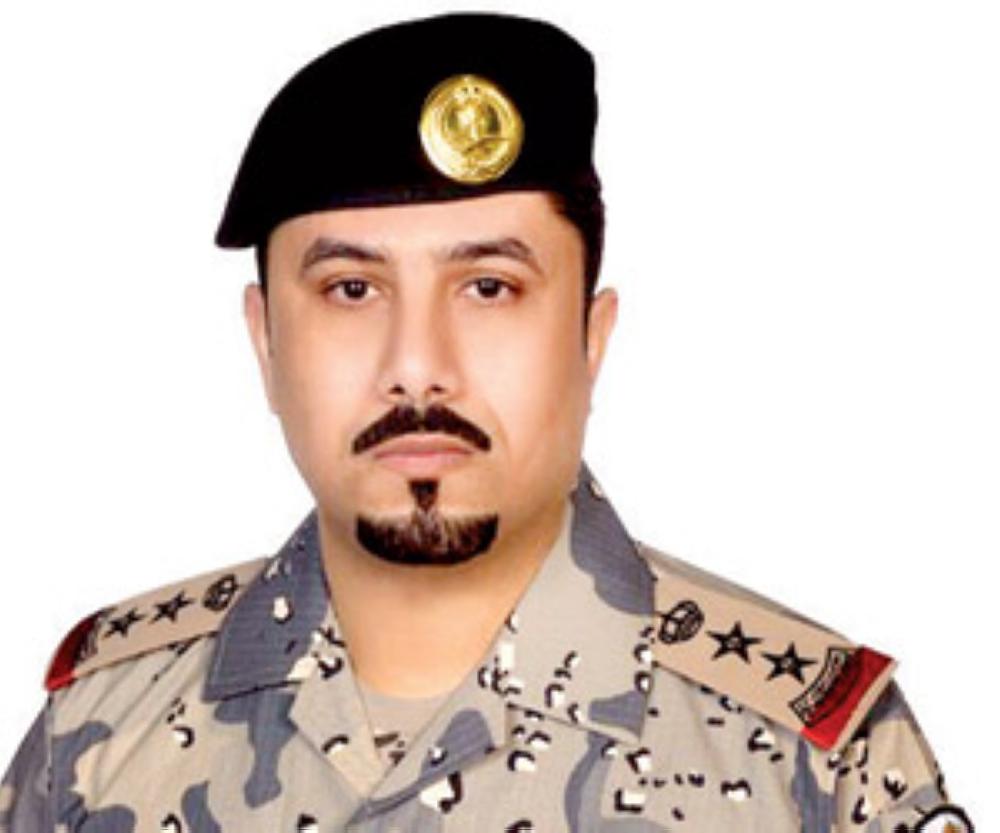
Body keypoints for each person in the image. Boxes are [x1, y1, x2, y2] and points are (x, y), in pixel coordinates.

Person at [0, 12, 975, 832]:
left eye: (489, 286)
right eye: (350, 289)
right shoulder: (99, 730)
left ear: (590, 337)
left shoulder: (809, 763)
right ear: (266, 342)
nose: (417, 364)